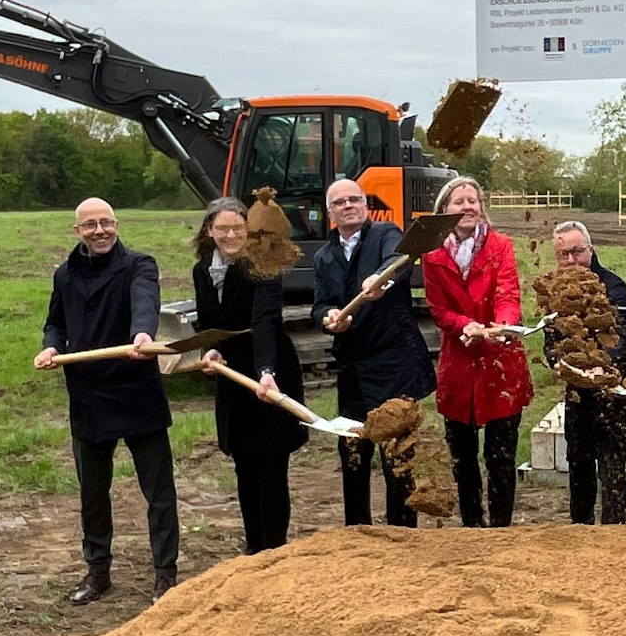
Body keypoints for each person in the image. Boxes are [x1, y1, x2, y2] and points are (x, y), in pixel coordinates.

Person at [33, 198, 180, 604]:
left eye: (106, 223)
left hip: (137, 389)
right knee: (93, 492)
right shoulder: (65, 275)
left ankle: (165, 575)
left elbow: (145, 300)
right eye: (90, 225)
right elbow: (56, 322)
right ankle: (97, 571)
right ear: (77, 230)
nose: (100, 231)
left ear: (116, 225)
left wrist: (143, 334)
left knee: (159, 492)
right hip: (89, 394)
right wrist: (50, 347)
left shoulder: (139, 264)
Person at [313, 178, 436, 527]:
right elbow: (320, 303)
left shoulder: (385, 234)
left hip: (393, 363)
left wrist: (380, 278)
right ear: (330, 212)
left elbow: (398, 260)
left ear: (366, 206)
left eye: (355, 200)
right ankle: (358, 530)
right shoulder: (324, 257)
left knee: (397, 454)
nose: (348, 206)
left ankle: (402, 531)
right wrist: (328, 318)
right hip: (352, 367)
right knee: (353, 450)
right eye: (340, 202)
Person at [193, 194, 306, 555]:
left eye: (237, 228)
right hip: (233, 378)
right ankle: (254, 549)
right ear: (210, 231)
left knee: (271, 466)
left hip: (269, 374)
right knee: (244, 464)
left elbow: (264, 321)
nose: (230, 235)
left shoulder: (264, 262)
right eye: (222, 228)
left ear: (249, 229)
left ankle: (274, 551)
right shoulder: (202, 270)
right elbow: (209, 323)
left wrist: (266, 370)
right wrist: (209, 350)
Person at [422, 175, 530, 527]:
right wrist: (463, 325)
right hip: (459, 366)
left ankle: (500, 529)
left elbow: (508, 293)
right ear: (444, 211)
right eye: (459, 201)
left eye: (473, 200)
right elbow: (438, 309)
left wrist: (503, 325)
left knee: (500, 457)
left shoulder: (501, 246)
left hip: (500, 363)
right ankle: (472, 525)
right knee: (463, 458)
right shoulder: (433, 255)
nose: (468, 206)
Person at [545, 221, 626, 525]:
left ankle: (616, 535)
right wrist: (559, 364)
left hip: (613, 398)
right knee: (579, 470)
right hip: (577, 398)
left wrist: (604, 366)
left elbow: (625, 342)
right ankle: (579, 534)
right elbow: (550, 344)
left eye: (576, 251)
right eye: (563, 255)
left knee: (613, 475)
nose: (571, 260)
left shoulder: (614, 288)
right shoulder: (554, 293)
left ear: (591, 248)